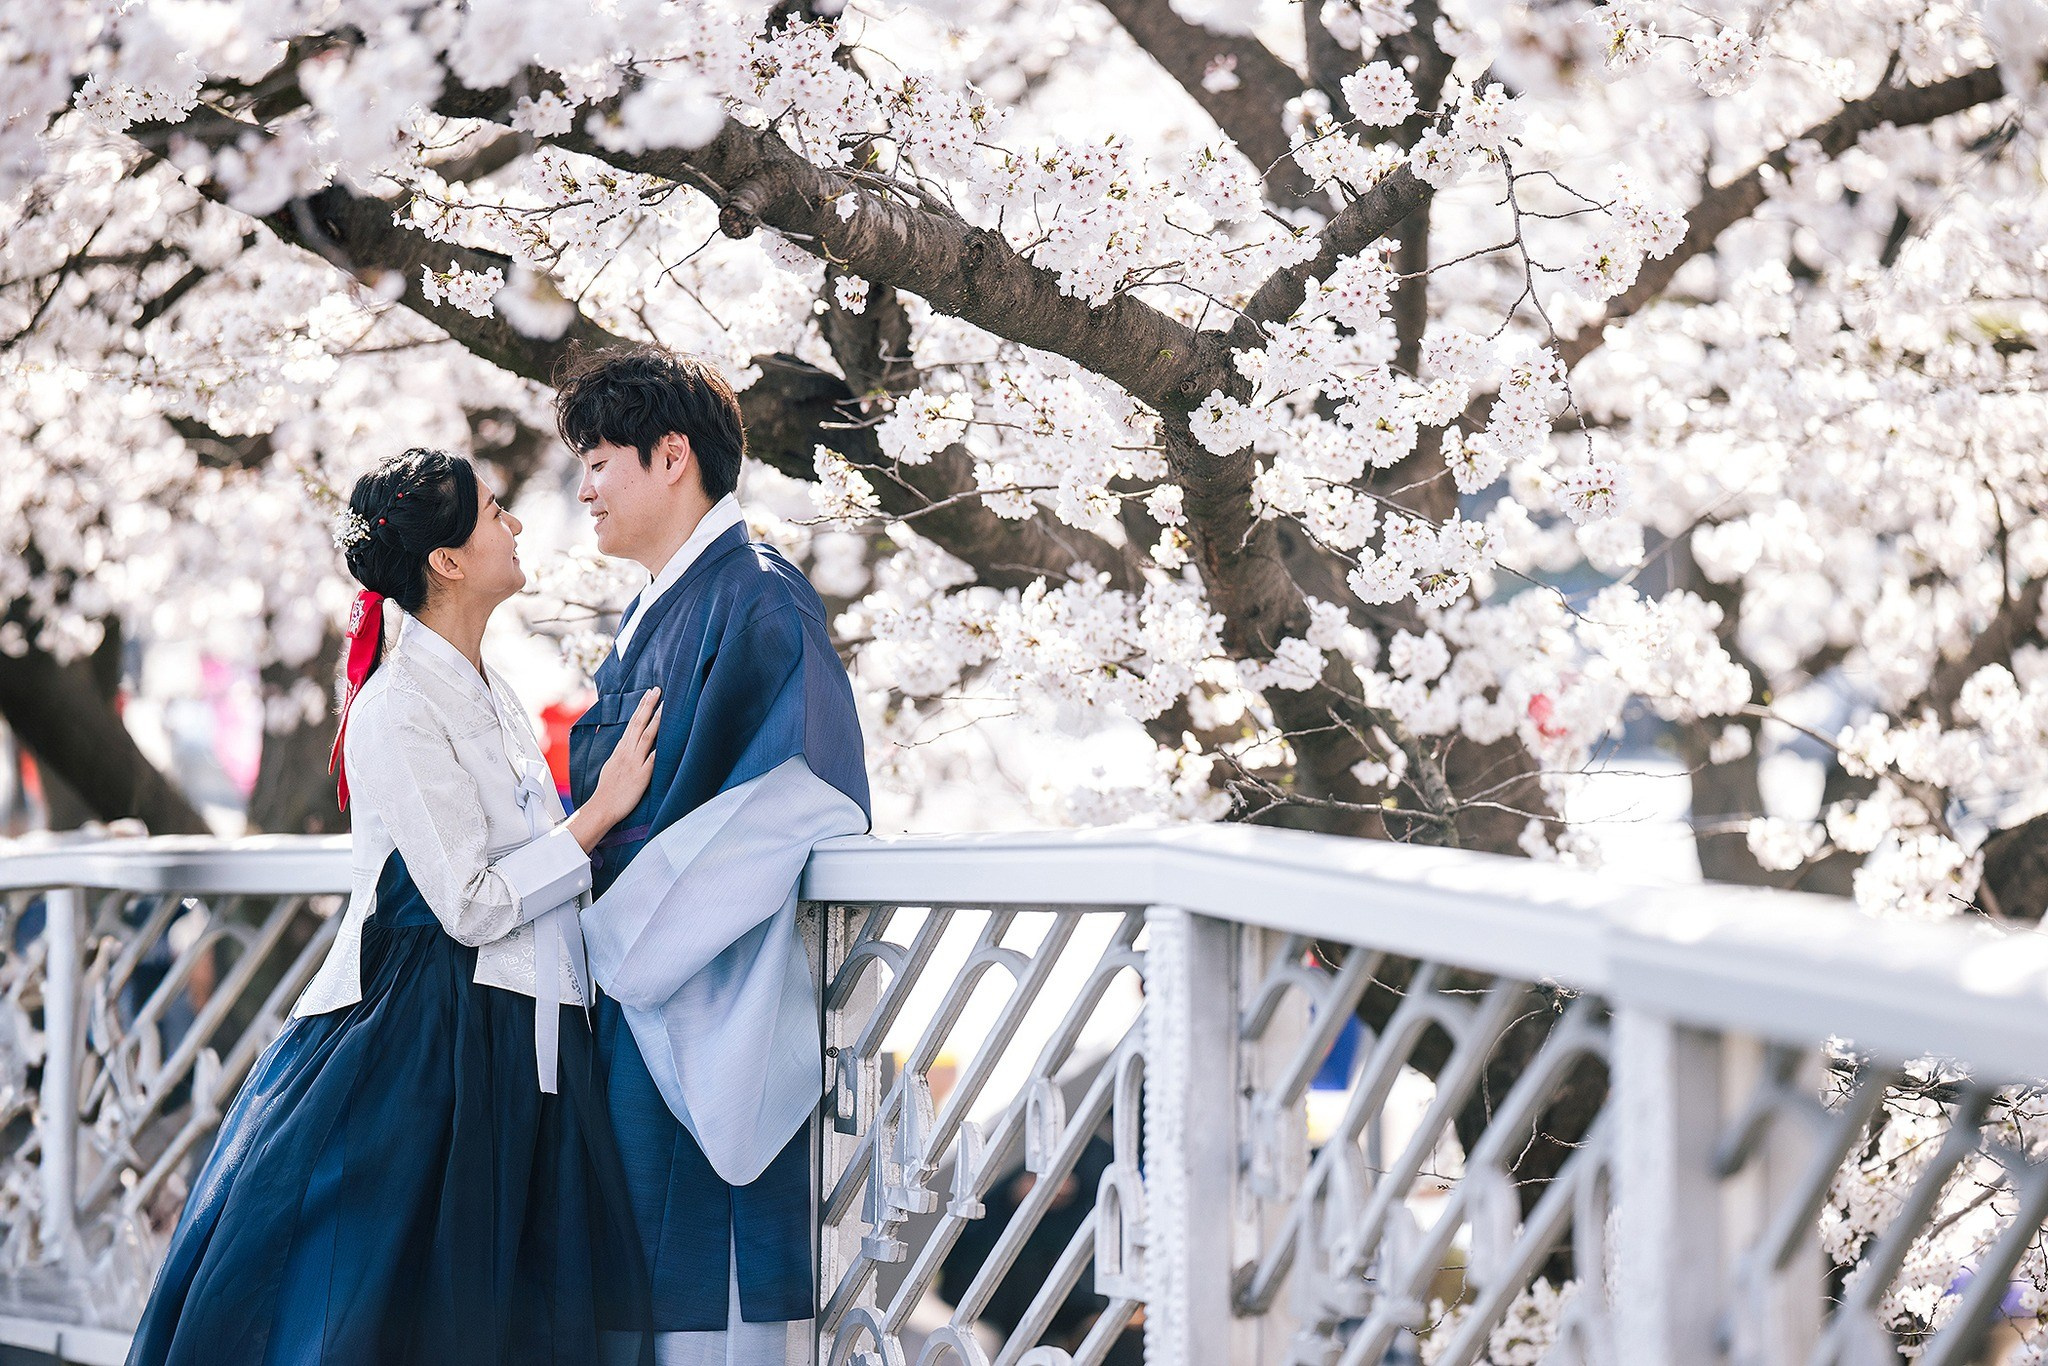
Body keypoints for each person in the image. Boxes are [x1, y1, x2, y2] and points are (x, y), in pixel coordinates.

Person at [127, 449, 661, 1366]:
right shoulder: (396, 706)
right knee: (389, 1312)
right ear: (446, 560)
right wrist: (598, 817)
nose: (517, 524)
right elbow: (469, 904)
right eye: (495, 513)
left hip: (517, 1020)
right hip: (432, 1036)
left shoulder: (489, 688)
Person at [558, 346, 871, 1366]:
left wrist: (614, 932)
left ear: (671, 455)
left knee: (704, 1302)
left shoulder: (760, 598)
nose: (584, 489)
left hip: (696, 988)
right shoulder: (663, 606)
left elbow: (798, 798)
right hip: (635, 989)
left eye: (598, 462)